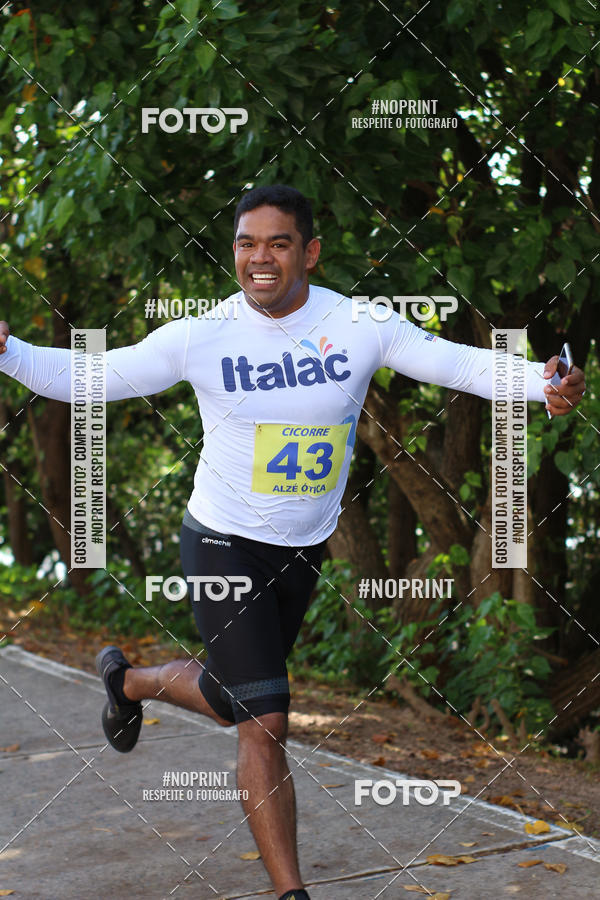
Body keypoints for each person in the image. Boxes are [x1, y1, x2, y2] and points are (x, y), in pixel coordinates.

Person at [0, 185, 585, 900]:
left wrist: (539, 382)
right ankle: (291, 893)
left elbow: (458, 364)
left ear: (308, 251)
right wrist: (9, 350)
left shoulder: (360, 323)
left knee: (232, 694)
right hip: (220, 541)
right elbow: (92, 376)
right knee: (266, 720)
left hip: (302, 547)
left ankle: (130, 681)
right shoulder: (204, 335)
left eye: (278, 243)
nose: (260, 258)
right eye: (247, 244)